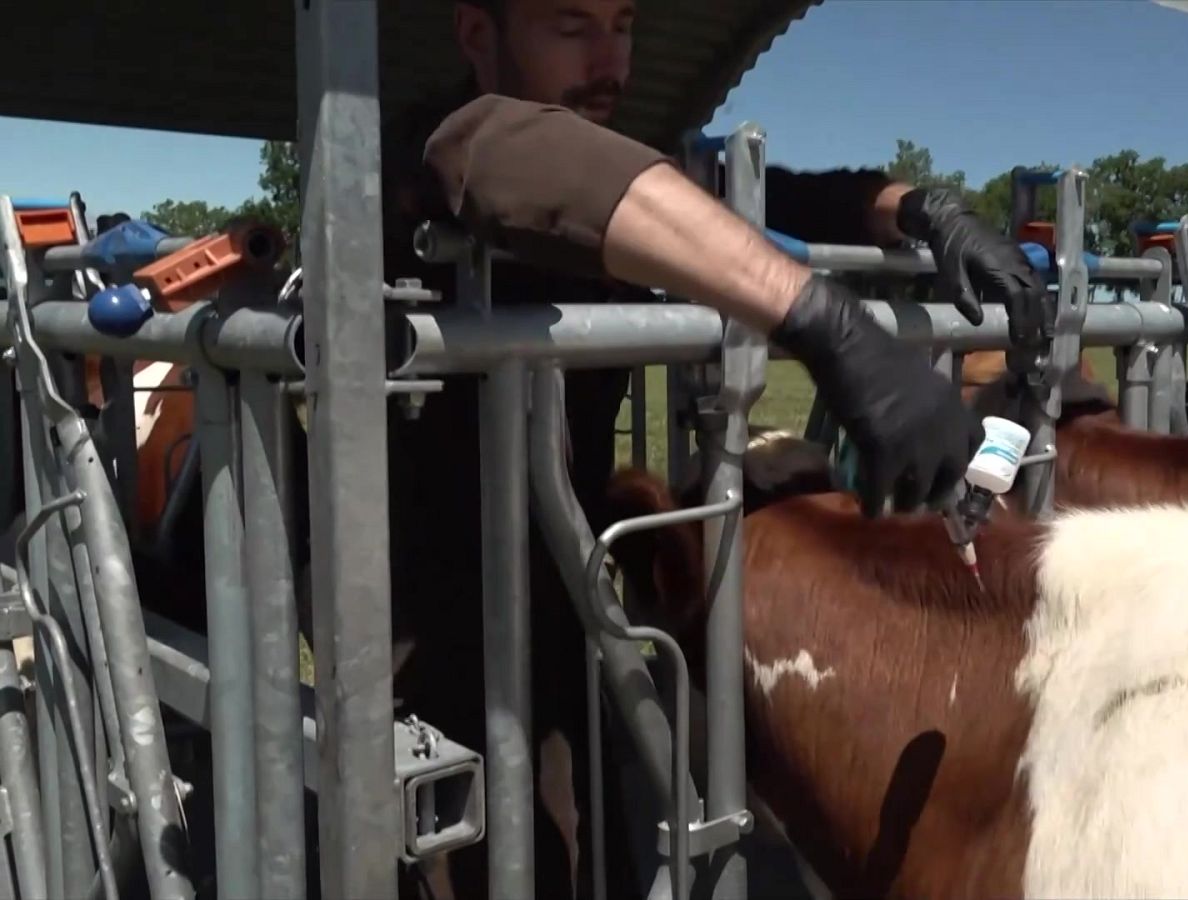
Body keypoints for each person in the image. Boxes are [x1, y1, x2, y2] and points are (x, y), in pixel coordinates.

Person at [372, 0, 1053, 896]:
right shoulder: (435, 144)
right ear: (477, 34)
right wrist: (825, 322)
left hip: (562, 594)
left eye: (622, 25)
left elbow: (790, 190)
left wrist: (926, 212)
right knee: (491, 861)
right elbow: (512, 155)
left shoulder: (635, 164)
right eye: (570, 28)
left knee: (597, 854)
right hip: (418, 622)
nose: (609, 58)